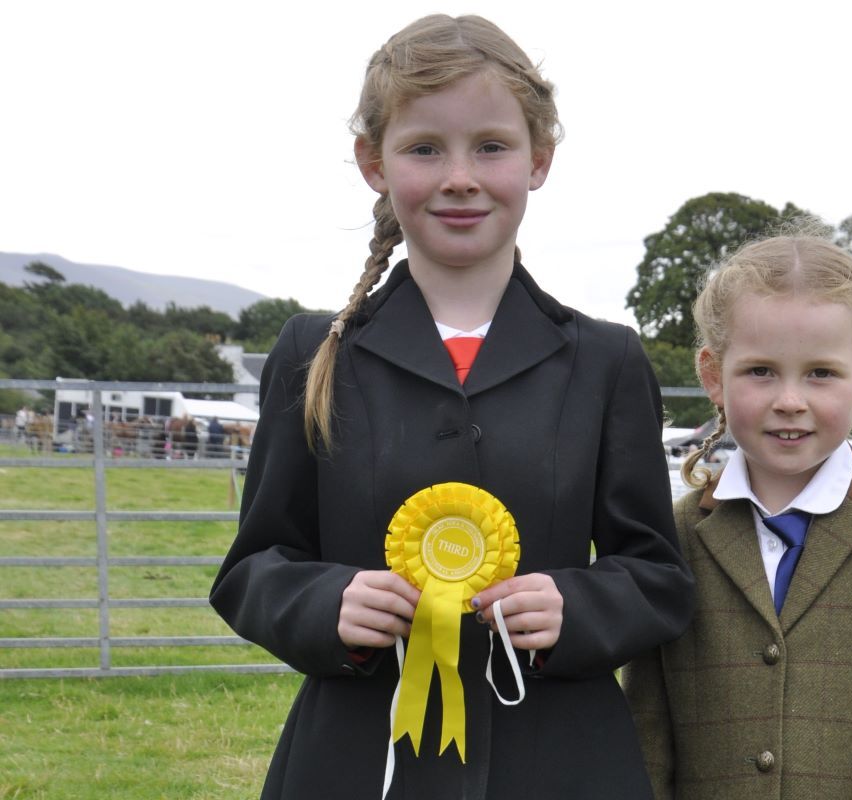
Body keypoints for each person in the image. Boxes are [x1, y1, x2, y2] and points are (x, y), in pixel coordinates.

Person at [209, 15, 693, 800]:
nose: (459, 176)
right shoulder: (311, 353)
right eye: (424, 147)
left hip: (562, 759)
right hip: (357, 760)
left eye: (491, 147)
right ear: (374, 163)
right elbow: (255, 568)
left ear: (539, 160)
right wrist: (328, 601)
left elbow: (658, 578)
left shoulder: (607, 361)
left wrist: (579, 604)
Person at [623, 228, 852, 799]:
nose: (790, 400)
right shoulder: (671, 538)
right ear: (713, 374)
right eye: (761, 371)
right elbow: (646, 735)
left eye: (821, 373)